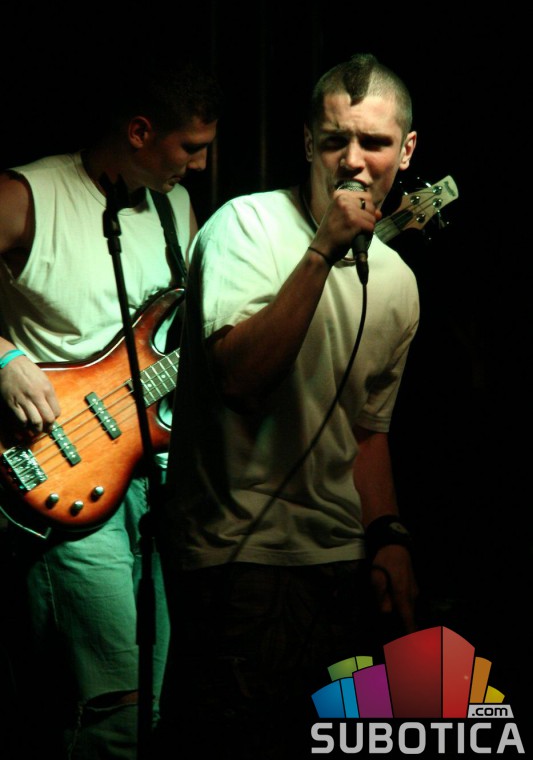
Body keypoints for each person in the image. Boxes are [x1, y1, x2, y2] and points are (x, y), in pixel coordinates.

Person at [156, 52, 420, 758]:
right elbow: (242, 382)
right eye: (335, 140)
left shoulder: (398, 282)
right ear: (307, 143)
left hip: (339, 565)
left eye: (374, 142)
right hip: (237, 561)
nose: (353, 161)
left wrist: (389, 537)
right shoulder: (244, 227)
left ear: (406, 151)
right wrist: (320, 252)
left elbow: (366, 433)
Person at [0, 56, 221, 759]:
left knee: (150, 703)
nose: (201, 164)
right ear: (139, 131)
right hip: (61, 476)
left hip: (154, 482)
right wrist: (0, 357)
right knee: (113, 709)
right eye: (190, 147)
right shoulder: (26, 194)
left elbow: (185, 332)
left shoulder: (174, 209)